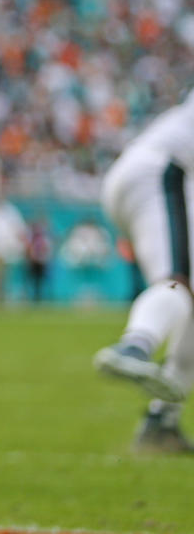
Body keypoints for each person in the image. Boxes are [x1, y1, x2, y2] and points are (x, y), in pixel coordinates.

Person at [94, 89, 194, 453]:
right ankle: (135, 346)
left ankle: (162, 422)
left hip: (148, 171)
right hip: (164, 171)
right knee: (175, 282)